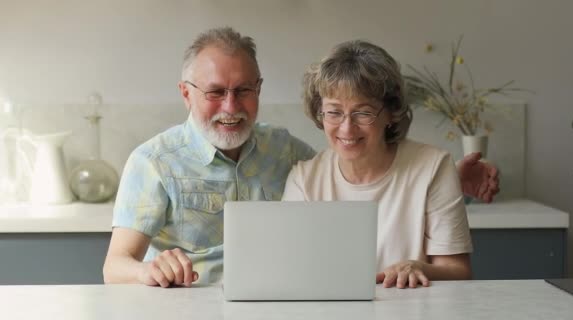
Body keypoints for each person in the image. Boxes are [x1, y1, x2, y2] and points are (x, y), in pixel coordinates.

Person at [103, 27, 498, 288]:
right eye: (214, 92)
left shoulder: (286, 152)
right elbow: (114, 266)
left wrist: (445, 178)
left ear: (259, 89)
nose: (231, 105)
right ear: (186, 93)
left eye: (244, 90)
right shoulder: (153, 161)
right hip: (190, 304)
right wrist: (150, 270)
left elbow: (355, 167)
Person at [282, 40, 478, 289]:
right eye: (334, 112)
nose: (346, 128)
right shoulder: (304, 180)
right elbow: (290, 270)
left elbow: (458, 270)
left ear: (391, 113)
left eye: (363, 112)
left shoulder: (434, 167)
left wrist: (418, 267)